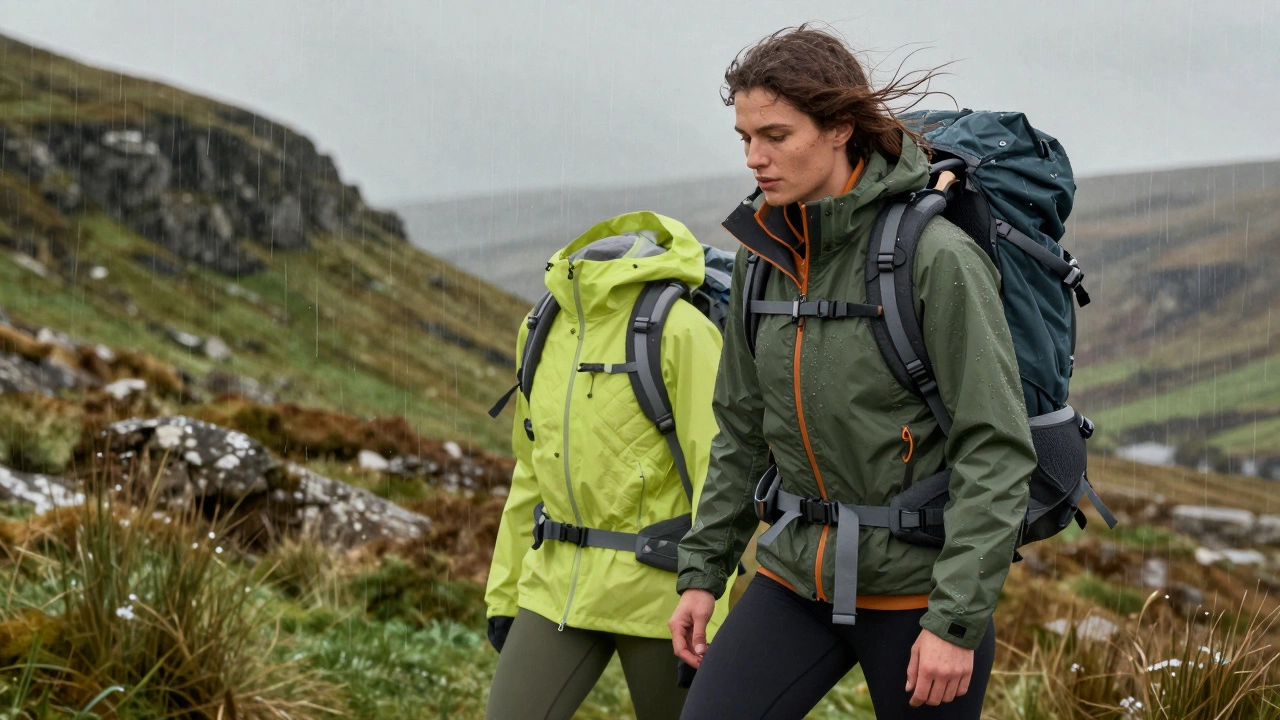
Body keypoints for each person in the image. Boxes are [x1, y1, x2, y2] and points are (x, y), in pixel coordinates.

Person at [669, 26, 1037, 719]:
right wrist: (703, 574)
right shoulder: (762, 254)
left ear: (840, 127)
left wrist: (953, 622)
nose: (755, 158)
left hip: (916, 593)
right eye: (745, 138)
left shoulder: (934, 256)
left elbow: (995, 447)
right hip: (794, 578)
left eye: (776, 135)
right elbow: (743, 429)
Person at [485, 212, 732, 720]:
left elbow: (719, 472)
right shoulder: (541, 325)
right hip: (554, 587)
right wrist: (505, 593)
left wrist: (712, 601)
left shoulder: (682, 329)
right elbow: (531, 471)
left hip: (663, 593)